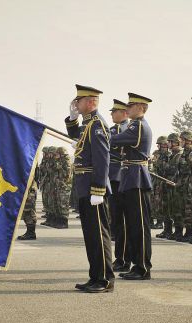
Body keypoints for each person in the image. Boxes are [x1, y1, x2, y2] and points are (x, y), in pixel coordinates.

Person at [65, 84, 115, 293]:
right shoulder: (87, 124)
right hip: (85, 186)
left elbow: (102, 160)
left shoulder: (97, 125)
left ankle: (104, 280)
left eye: (80, 101)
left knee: (98, 234)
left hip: (94, 189)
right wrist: (72, 118)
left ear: (91, 102)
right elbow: (75, 134)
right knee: (90, 235)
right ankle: (95, 276)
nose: (76, 104)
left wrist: (98, 190)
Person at [110, 93, 153, 280]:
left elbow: (116, 140)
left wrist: (96, 136)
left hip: (136, 178)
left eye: (132, 105)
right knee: (132, 225)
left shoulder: (139, 126)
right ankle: (136, 264)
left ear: (141, 108)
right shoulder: (136, 125)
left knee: (139, 226)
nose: (127, 109)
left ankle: (143, 267)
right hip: (130, 177)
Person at [108, 99, 132, 271]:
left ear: (124, 113)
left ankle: (122, 258)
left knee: (120, 222)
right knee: (118, 222)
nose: (111, 114)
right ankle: (122, 258)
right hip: (117, 177)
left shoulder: (118, 130)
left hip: (117, 178)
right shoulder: (124, 129)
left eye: (114, 111)